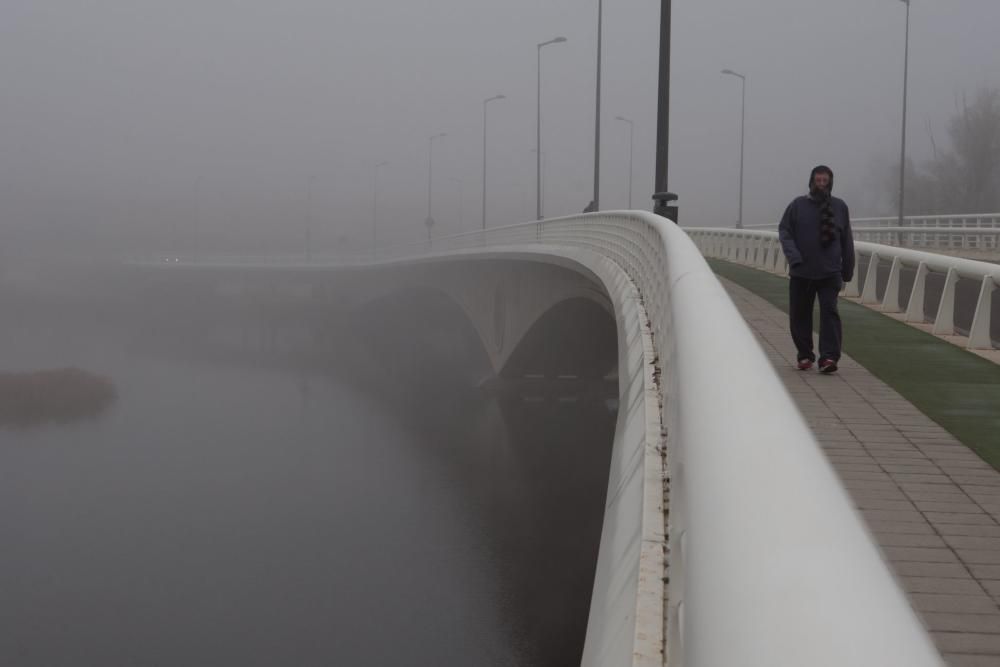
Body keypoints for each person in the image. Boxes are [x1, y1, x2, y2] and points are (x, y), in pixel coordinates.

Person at [778, 165, 855, 374]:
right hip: (802, 271)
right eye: (818, 181)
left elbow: (846, 239)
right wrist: (794, 257)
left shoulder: (840, 207)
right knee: (799, 315)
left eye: (825, 181)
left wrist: (847, 268)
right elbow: (784, 231)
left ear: (830, 182)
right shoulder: (797, 205)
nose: (821, 185)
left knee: (829, 313)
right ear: (811, 182)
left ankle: (829, 357)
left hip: (830, 272)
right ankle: (805, 354)